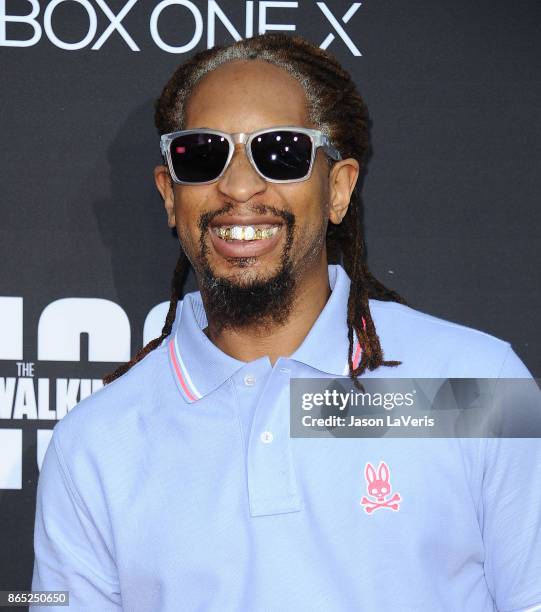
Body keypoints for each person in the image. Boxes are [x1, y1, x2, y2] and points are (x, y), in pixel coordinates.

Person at [31, 33, 541, 611]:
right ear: (170, 195)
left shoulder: (481, 388)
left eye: (281, 152)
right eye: (203, 154)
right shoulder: (94, 446)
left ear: (339, 188)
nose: (240, 186)